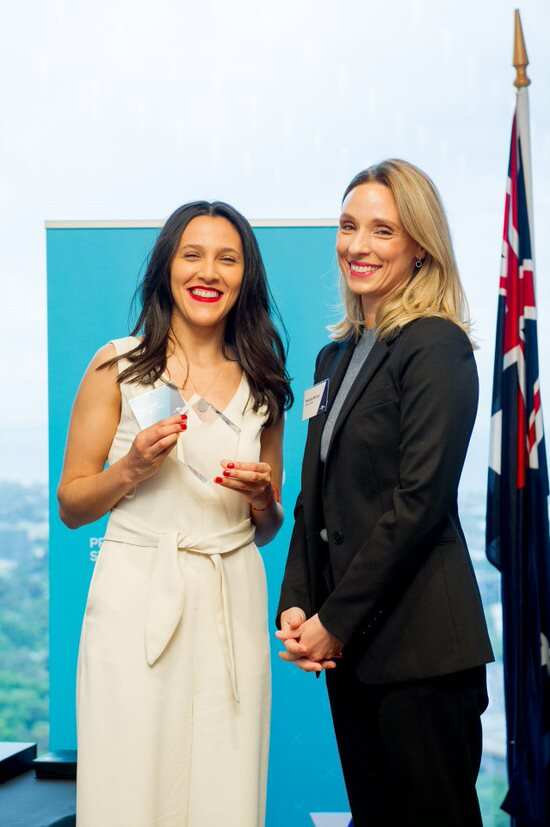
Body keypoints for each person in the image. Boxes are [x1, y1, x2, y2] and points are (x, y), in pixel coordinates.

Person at [57, 201, 292, 827]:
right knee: (128, 779)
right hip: (136, 591)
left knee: (225, 781)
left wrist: (262, 500)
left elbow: (266, 528)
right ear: (167, 269)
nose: (208, 271)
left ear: (246, 278)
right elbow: (71, 505)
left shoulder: (264, 384)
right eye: (192, 255)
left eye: (227, 258)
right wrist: (131, 467)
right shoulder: (119, 366)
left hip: (229, 594)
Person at [276, 159, 494, 827]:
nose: (358, 246)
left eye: (382, 231)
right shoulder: (334, 359)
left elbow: (418, 501)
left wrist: (332, 620)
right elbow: (318, 500)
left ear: (419, 246)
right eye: (348, 226)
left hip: (424, 654)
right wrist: (297, 599)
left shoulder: (436, 345)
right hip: (357, 654)